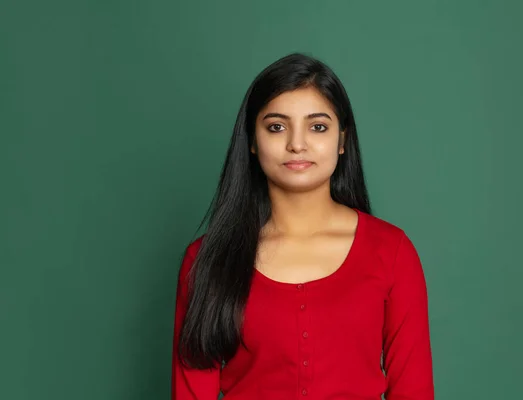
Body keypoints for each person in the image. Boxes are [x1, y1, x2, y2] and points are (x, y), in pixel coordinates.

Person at [171, 52, 434, 400]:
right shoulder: (205, 259)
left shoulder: (392, 251)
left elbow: (413, 390)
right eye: (276, 127)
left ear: (342, 141)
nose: (297, 144)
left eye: (318, 127)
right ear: (252, 140)